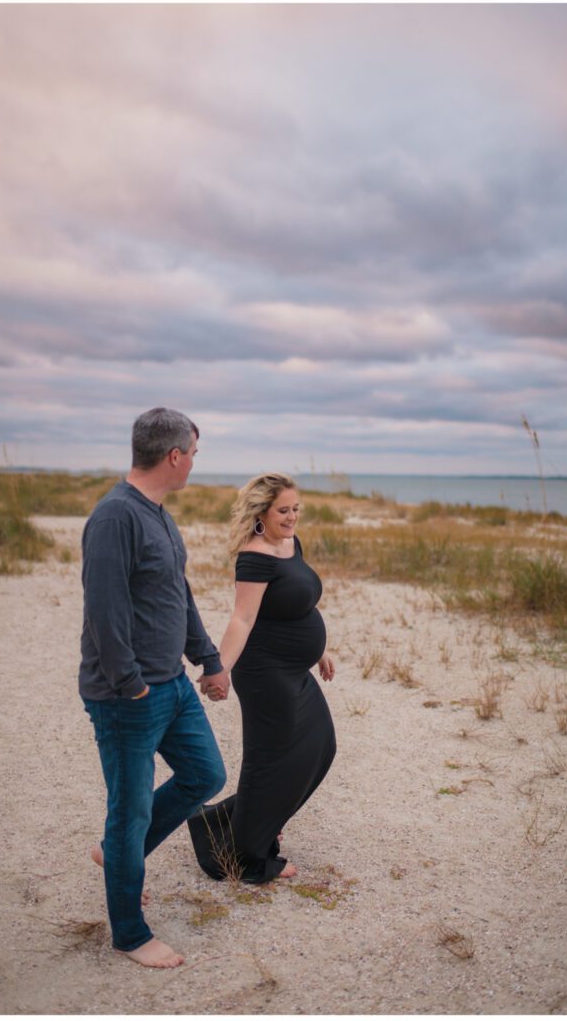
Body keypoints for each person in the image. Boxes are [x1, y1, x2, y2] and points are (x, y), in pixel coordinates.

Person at [79, 407, 229, 969]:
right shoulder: (116, 517)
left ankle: (118, 854)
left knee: (205, 774)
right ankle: (130, 934)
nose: (194, 462)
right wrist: (129, 685)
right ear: (174, 456)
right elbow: (105, 610)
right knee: (129, 812)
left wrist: (208, 659)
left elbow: (177, 594)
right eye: (193, 452)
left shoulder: (159, 514)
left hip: (173, 684)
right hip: (129, 695)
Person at [188, 472, 336, 883]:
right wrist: (220, 668)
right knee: (269, 762)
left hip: (294, 668)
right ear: (261, 513)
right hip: (265, 672)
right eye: (283, 511)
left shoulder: (291, 543)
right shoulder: (253, 556)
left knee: (320, 745)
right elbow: (243, 617)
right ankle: (247, 856)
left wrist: (318, 648)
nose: (292, 517)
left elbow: (296, 603)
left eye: (295, 509)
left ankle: (223, 824)